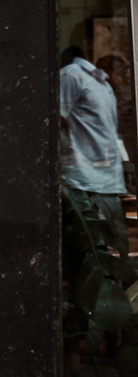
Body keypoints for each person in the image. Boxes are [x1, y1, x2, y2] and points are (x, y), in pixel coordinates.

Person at [61, 44, 128, 253]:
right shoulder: (72, 76)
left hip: (107, 178)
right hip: (83, 179)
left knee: (109, 247)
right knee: (86, 247)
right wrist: (67, 165)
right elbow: (57, 121)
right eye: (121, 73)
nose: (123, 78)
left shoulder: (103, 85)